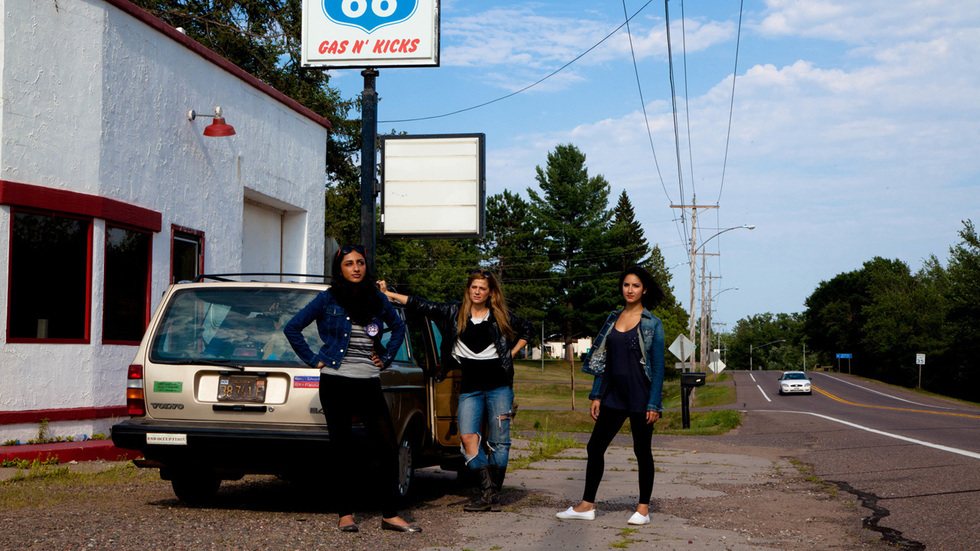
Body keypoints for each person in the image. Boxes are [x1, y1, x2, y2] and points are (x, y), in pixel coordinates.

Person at [284, 244, 421, 534]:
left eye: (360, 263)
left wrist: (385, 358)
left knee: (387, 447)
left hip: (369, 380)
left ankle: (390, 515)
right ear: (340, 269)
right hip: (336, 380)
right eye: (349, 263)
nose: (356, 268)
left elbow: (398, 328)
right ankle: (345, 514)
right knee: (342, 449)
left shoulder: (376, 299)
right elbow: (292, 327)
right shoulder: (327, 299)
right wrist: (313, 359)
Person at [378, 269, 533, 512]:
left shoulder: (500, 316)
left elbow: (528, 329)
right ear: (468, 290)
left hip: (499, 387)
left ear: (490, 292)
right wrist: (388, 294)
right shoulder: (454, 312)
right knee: (467, 438)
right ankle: (488, 491)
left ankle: (490, 494)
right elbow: (422, 305)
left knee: (499, 442)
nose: (477, 292)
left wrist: (511, 355)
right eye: (474, 287)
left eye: (482, 288)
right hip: (469, 389)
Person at [556, 266, 666, 526]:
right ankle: (586, 505)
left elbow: (658, 367)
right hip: (613, 396)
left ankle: (642, 509)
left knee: (642, 451)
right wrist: (597, 395)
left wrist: (654, 403)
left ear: (644, 290)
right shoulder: (612, 318)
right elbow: (601, 360)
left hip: (641, 397)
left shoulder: (653, 323)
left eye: (635, 286)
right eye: (626, 285)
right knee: (595, 447)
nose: (630, 290)